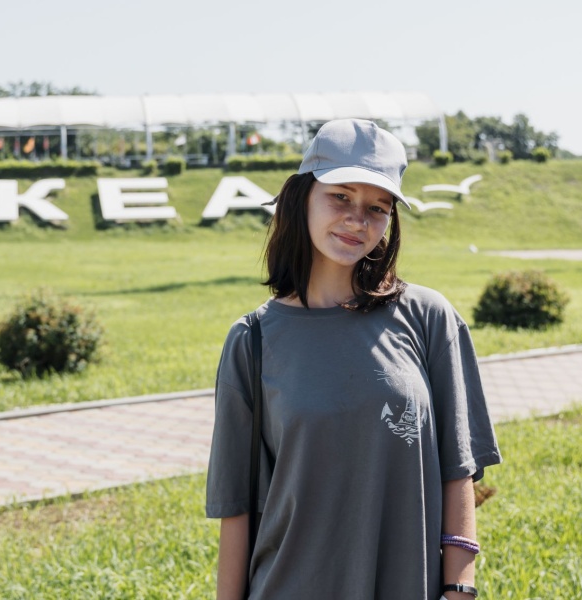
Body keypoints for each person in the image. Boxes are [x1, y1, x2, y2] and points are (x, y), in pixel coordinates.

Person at [206, 119, 502, 600]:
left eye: (377, 208)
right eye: (340, 197)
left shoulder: (429, 318)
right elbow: (236, 508)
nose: (357, 220)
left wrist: (459, 588)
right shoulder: (252, 340)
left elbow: (459, 470)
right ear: (302, 197)